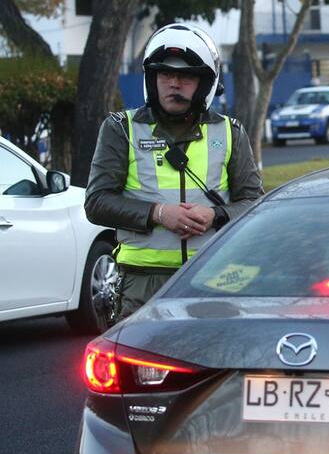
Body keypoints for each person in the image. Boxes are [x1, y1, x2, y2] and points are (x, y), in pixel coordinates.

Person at [85, 23, 264, 319]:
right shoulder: (121, 129)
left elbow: (255, 204)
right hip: (143, 283)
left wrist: (216, 216)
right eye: (165, 74)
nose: (174, 83)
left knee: (213, 362)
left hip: (215, 277)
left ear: (205, 84)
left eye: (186, 76)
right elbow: (97, 202)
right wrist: (158, 214)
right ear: (152, 79)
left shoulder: (230, 132)